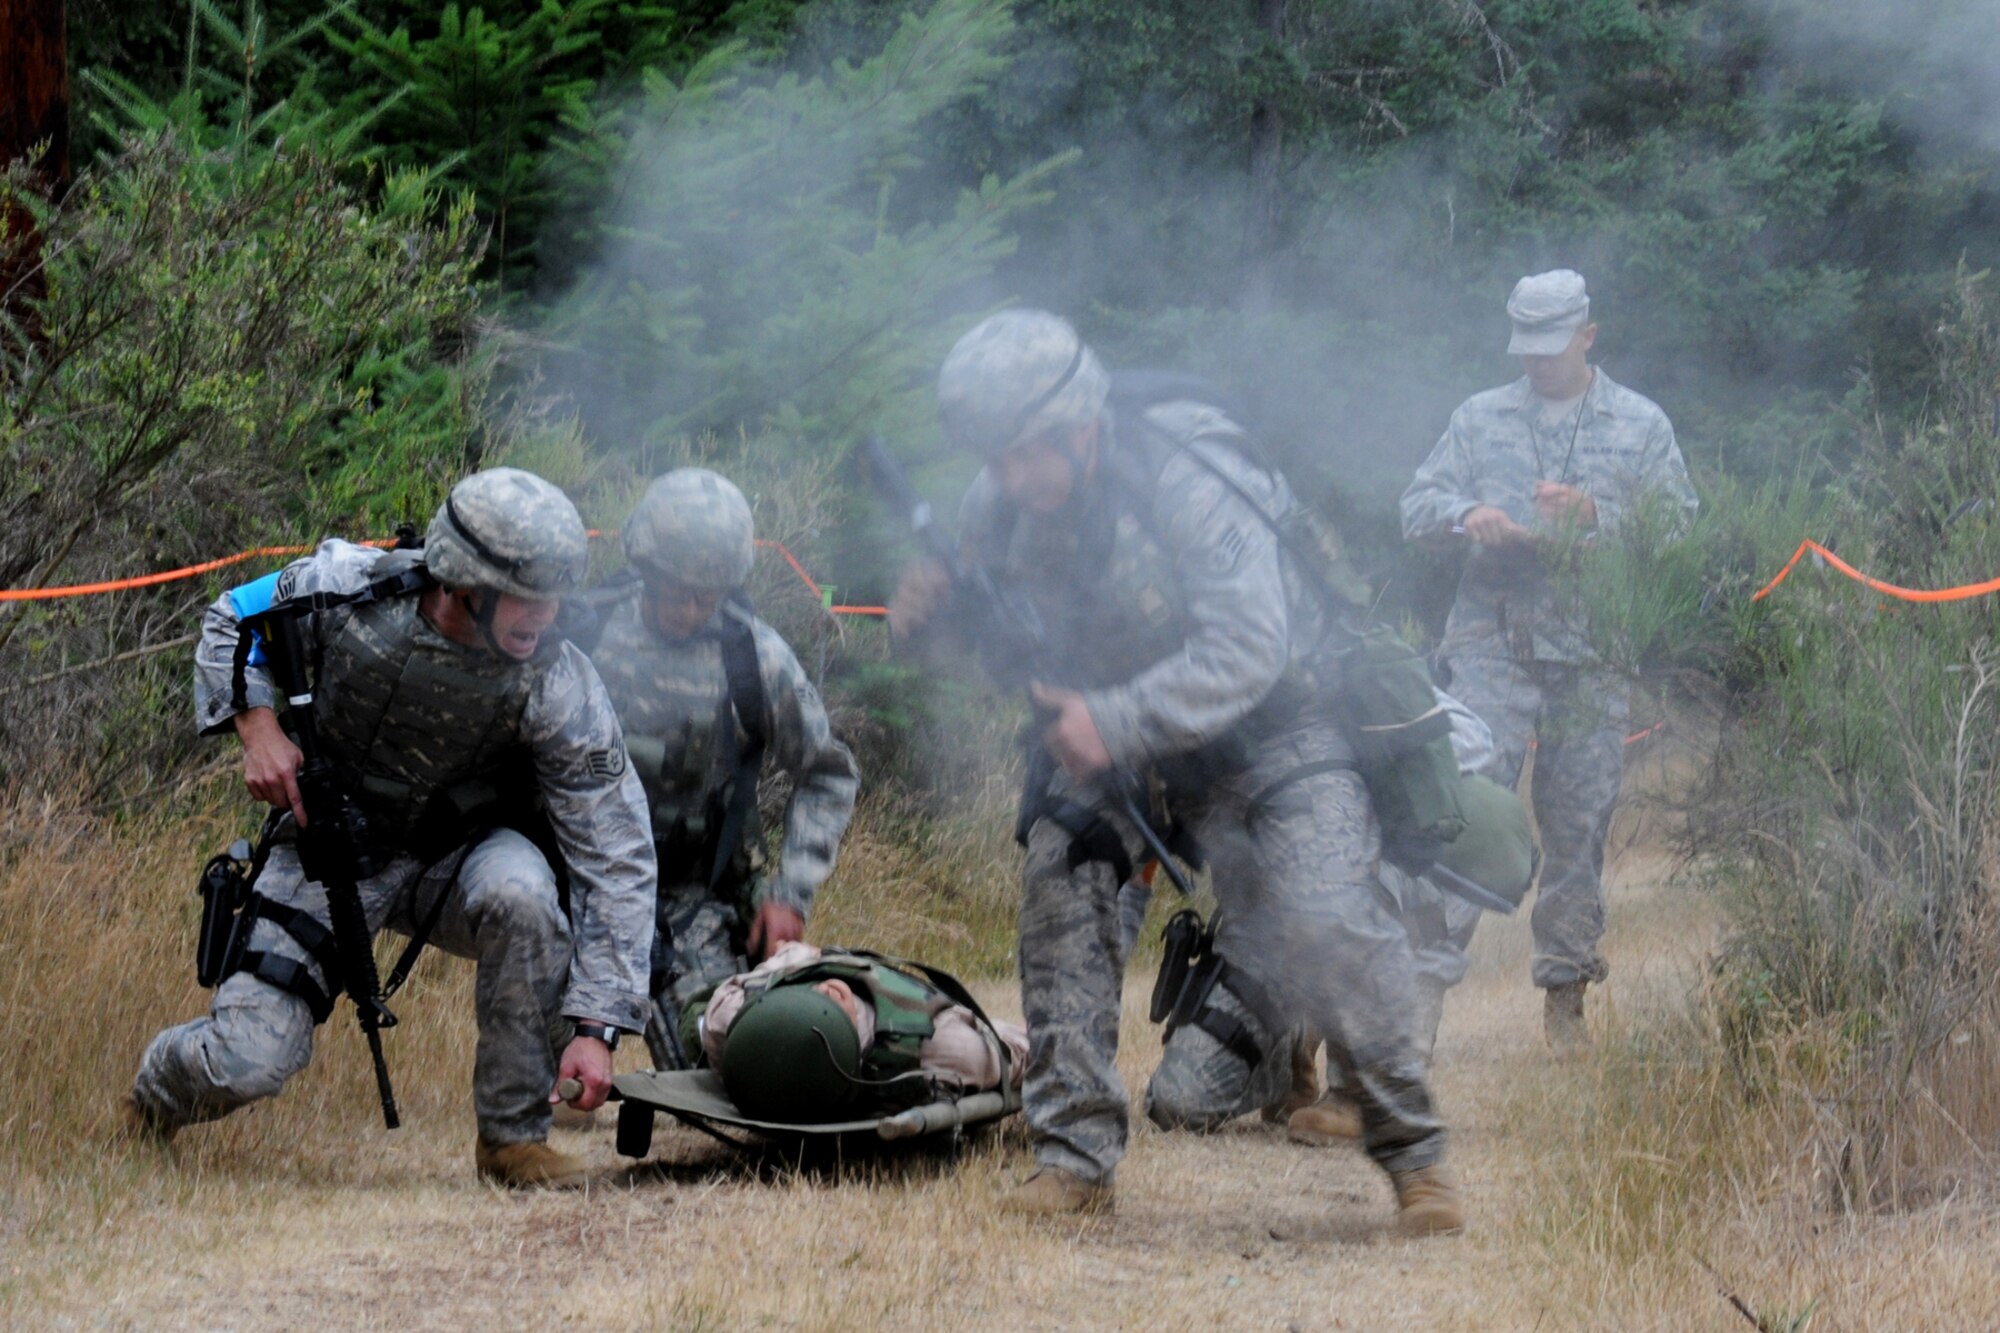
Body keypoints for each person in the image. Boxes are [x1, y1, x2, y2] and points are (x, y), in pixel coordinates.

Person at [891, 309, 1460, 1233]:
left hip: (1275, 723)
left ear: (1080, 425)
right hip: (1120, 735)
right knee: (1061, 877)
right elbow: (1005, 651)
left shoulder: (1191, 473)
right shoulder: (997, 504)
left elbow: (1248, 647)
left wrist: (1110, 719)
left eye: (1025, 453)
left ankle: (1413, 1152)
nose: (1007, 479)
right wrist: (931, 622)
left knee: (1326, 920)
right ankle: (1073, 1157)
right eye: (992, 456)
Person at [127, 468, 657, 1188]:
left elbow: (616, 850)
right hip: (330, 847)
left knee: (527, 895)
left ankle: (511, 1143)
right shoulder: (347, 586)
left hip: (458, 860)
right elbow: (234, 615)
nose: (547, 616)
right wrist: (255, 727)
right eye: (530, 596)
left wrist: (597, 1028)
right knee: (245, 1060)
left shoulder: (558, 680)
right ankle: (146, 1106)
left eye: (556, 596)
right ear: (466, 581)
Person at [1400, 269, 1697, 1050]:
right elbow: (1416, 507)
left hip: (1592, 652)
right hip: (1491, 643)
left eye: (1552, 347)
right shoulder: (1479, 417)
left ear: (1587, 336)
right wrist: (1468, 515)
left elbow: (1680, 530)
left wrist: (1599, 513)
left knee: (1578, 828)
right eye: (1525, 348)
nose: (1537, 362)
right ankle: (1419, 1002)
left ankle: (1566, 1003)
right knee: (1460, 815)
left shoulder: (1639, 423)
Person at [587, 468, 860, 1070]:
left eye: (707, 595)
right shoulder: (588, 634)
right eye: (678, 589)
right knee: (549, 1068)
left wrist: (790, 892)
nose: (691, 608)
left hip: (690, 894)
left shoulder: (754, 659)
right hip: (579, 885)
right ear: (647, 569)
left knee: (723, 1054)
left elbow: (828, 773)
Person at [697, 941, 1028, 1121]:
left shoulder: (940, 1046)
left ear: (835, 991)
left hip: (908, 1013)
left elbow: (1023, 1054)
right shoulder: (727, 1020)